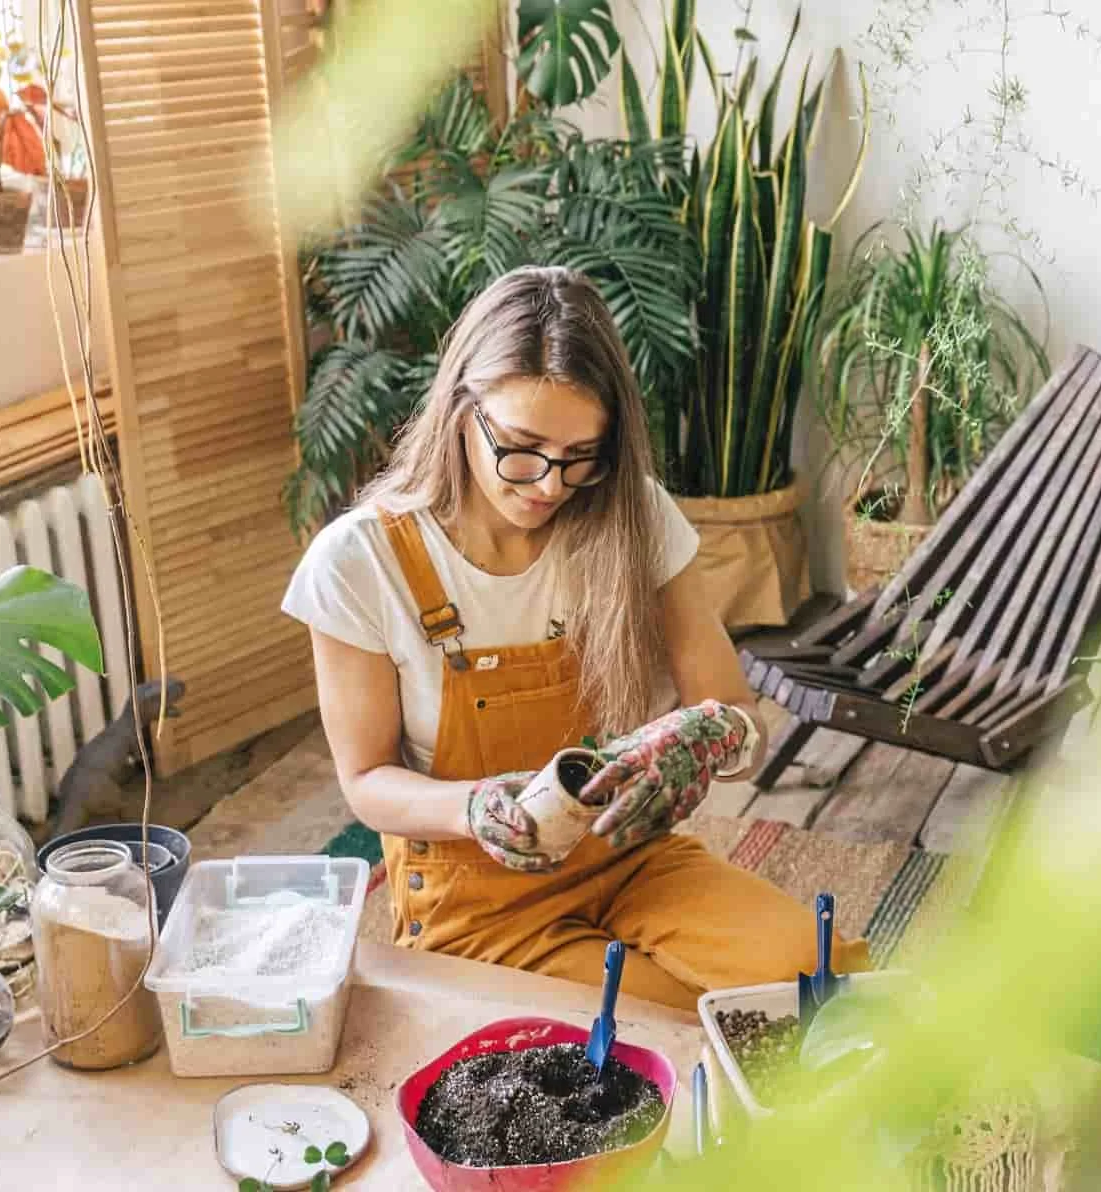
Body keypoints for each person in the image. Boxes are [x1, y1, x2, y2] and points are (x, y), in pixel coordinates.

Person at [282, 265, 868, 1010]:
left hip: (624, 856)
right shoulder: (359, 561)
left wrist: (711, 734)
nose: (549, 485)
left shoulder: (632, 515)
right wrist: (475, 808)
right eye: (521, 447)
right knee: (672, 1020)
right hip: (477, 902)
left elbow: (735, 713)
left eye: (580, 456)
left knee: (822, 981)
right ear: (462, 408)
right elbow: (365, 782)